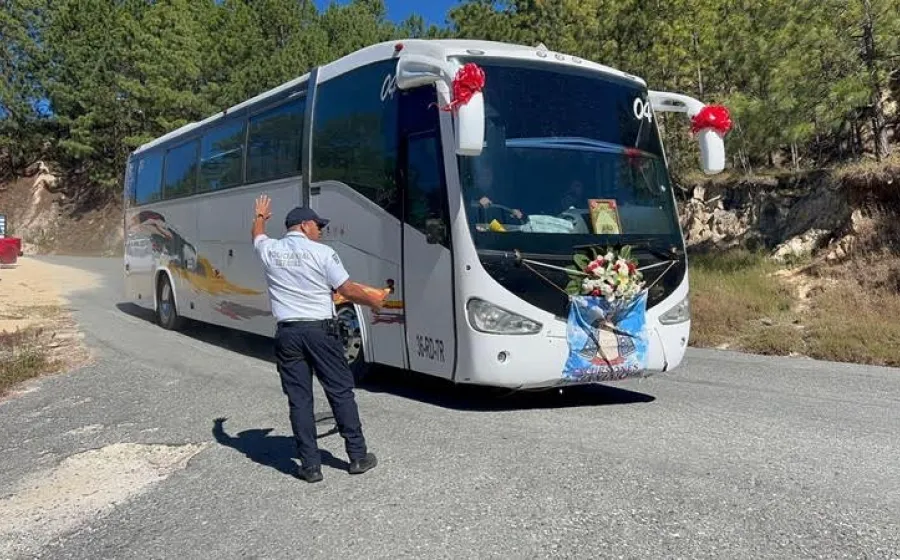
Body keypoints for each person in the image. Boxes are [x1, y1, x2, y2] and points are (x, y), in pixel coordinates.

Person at [251, 194, 387, 483]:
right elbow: (347, 289)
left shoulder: (271, 251)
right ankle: (358, 457)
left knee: (299, 400)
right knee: (340, 391)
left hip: (288, 334)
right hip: (320, 333)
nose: (321, 230)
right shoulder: (322, 253)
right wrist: (374, 301)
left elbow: (257, 236)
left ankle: (310, 467)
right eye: (318, 225)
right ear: (304, 225)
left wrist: (261, 215)